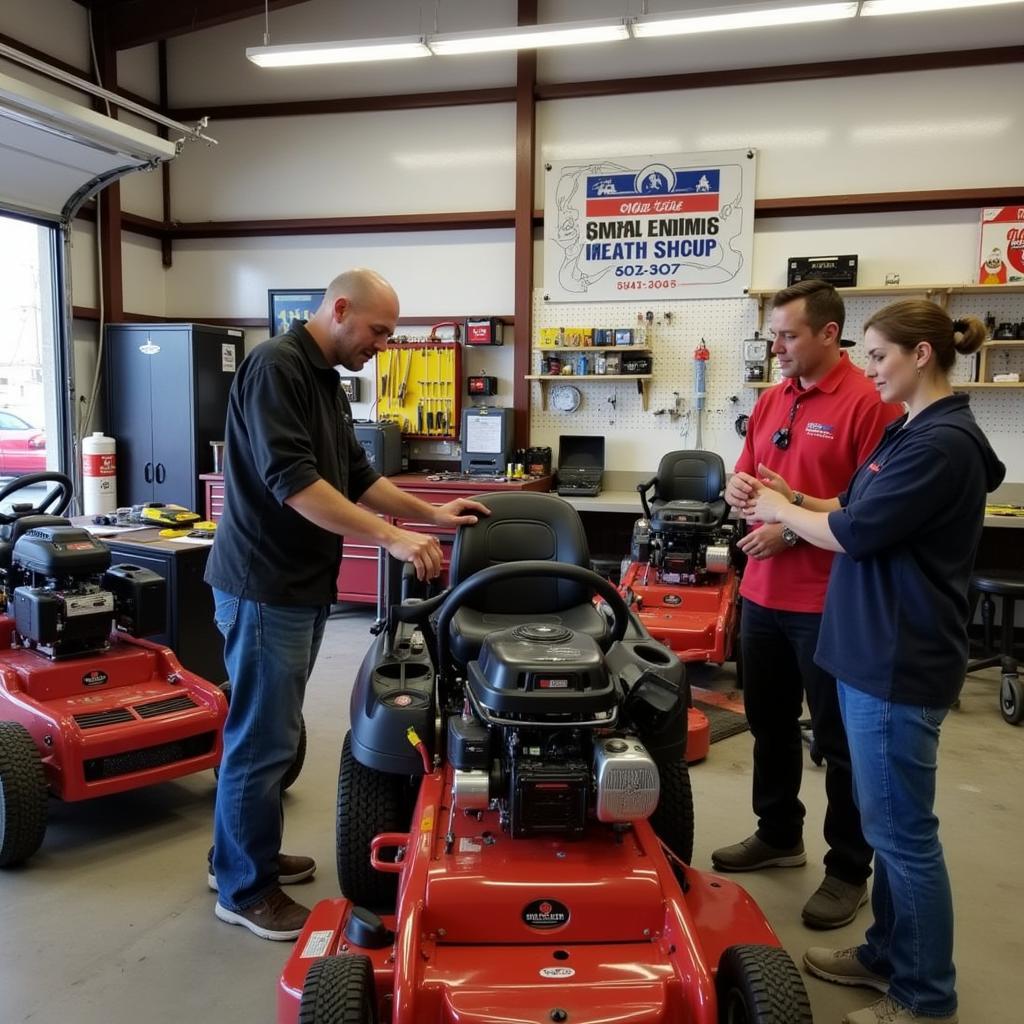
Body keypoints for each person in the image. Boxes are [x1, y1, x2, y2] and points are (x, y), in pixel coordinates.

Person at [204, 269, 489, 941]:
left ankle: (238, 857)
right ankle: (245, 890)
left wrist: (432, 514)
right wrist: (390, 538)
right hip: (261, 586)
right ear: (338, 310)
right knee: (262, 739)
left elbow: (357, 477)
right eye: (379, 331)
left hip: (297, 585)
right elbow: (297, 484)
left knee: (276, 734)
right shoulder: (277, 368)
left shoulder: (324, 378)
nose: (384, 346)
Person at [749, 300, 1004, 1024]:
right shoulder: (915, 432)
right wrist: (791, 495)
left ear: (921, 356)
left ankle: (924, 999)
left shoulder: (939, 443)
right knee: (888, 824)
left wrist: (778, 511)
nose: (870, 368)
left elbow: (856, 531)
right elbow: (850, 504)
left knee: (902, 836)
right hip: (872, 652)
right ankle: (888, 953)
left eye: (880, 355)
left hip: (898, 658)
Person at [711, 279, 903, 929]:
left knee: (839, 743)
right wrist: (739, 489)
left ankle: (848, 869)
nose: (778, 347)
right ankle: (779, 833)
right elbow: (752, 474)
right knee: (768, 725)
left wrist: (788, 525)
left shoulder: (868, 403)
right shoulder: (771, 399)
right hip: (762, 595)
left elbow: (872, 511)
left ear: (828, 333)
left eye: (788, 336)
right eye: (773, 336)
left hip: (830, 602)